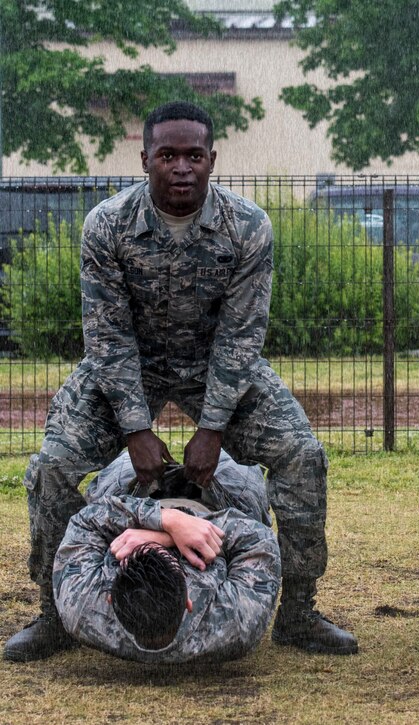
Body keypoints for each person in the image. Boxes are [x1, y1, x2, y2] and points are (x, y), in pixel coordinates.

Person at [3, 100, 356, 662]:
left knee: (301, 455)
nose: (182, 167)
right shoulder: (108, 225)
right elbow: (107, 337)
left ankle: (298, 613)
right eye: (168, 155)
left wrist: (212, 429)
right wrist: (135, 430)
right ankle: (52, 612)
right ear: (145, 159)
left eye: (194, 155)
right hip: (126, 370)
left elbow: (242, 336)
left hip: (215, 367)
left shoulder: (248, 226)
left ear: (213, 160)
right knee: (50, 467)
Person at [53, 451, 280, 663]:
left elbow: (85, 522)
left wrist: (162, 521)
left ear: (109, 598)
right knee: (230, 457)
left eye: (138, 552)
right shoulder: (236, 622)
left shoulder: (82, 607)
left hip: (131, 502)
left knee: (128, 460)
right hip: (218, 507)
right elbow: (259, 540)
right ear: (189, 602)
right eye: (175, 557)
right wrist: (173, 531)